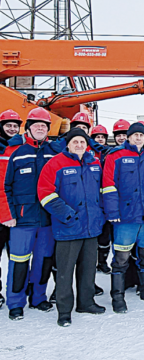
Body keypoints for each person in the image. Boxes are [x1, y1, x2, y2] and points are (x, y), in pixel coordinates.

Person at [38, 128, 106, 327]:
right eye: (75, 141)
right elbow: (45, 193)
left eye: (82, 142)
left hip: (91, 228)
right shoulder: (55, 164)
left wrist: (100, 215)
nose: (79, 145)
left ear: (87, 144)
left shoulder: (94, 163)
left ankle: (86, 303)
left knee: (88, 270)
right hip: (68, 227)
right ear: (68, 144)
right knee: (65, 272)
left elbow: (102, 192)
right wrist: (67, 214)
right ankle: (64, 311)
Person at [1, 107, 63, 320]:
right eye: (36, 124)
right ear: (27, 128)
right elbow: (4, 186)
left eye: (44, 125)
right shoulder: (14, 153)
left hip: (47, 219)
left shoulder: (54, 153)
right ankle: (15, 302)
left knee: (43, 261)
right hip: (22, 219)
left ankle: (38, 298)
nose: (40, 128)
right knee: (18, 261)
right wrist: (7, 214)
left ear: (48, 129)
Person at [103, 122, 144, 313]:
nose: (138, 138)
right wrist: (112, 213)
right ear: (128, 137)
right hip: (125, 218)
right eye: (135, 135)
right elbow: (108, 186)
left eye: (141, 135)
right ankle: (117, 296)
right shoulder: (115, 156)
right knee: (120, 259)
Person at [0, 109, 23, 308]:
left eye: (15, 126)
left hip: (17, 212)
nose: (12, 129)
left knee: (18, 258)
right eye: (8, 125)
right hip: (2, 212)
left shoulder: (19, 148)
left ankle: (17, 291)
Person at [90, 125, 112, 275]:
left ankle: (102, 262)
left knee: (105, 235)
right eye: (97, 137)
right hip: (92, 200)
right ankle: (92, 263)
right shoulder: (88, 153)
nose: (100, 139)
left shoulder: (109, 153)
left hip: (106, 200)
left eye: (102, 137)